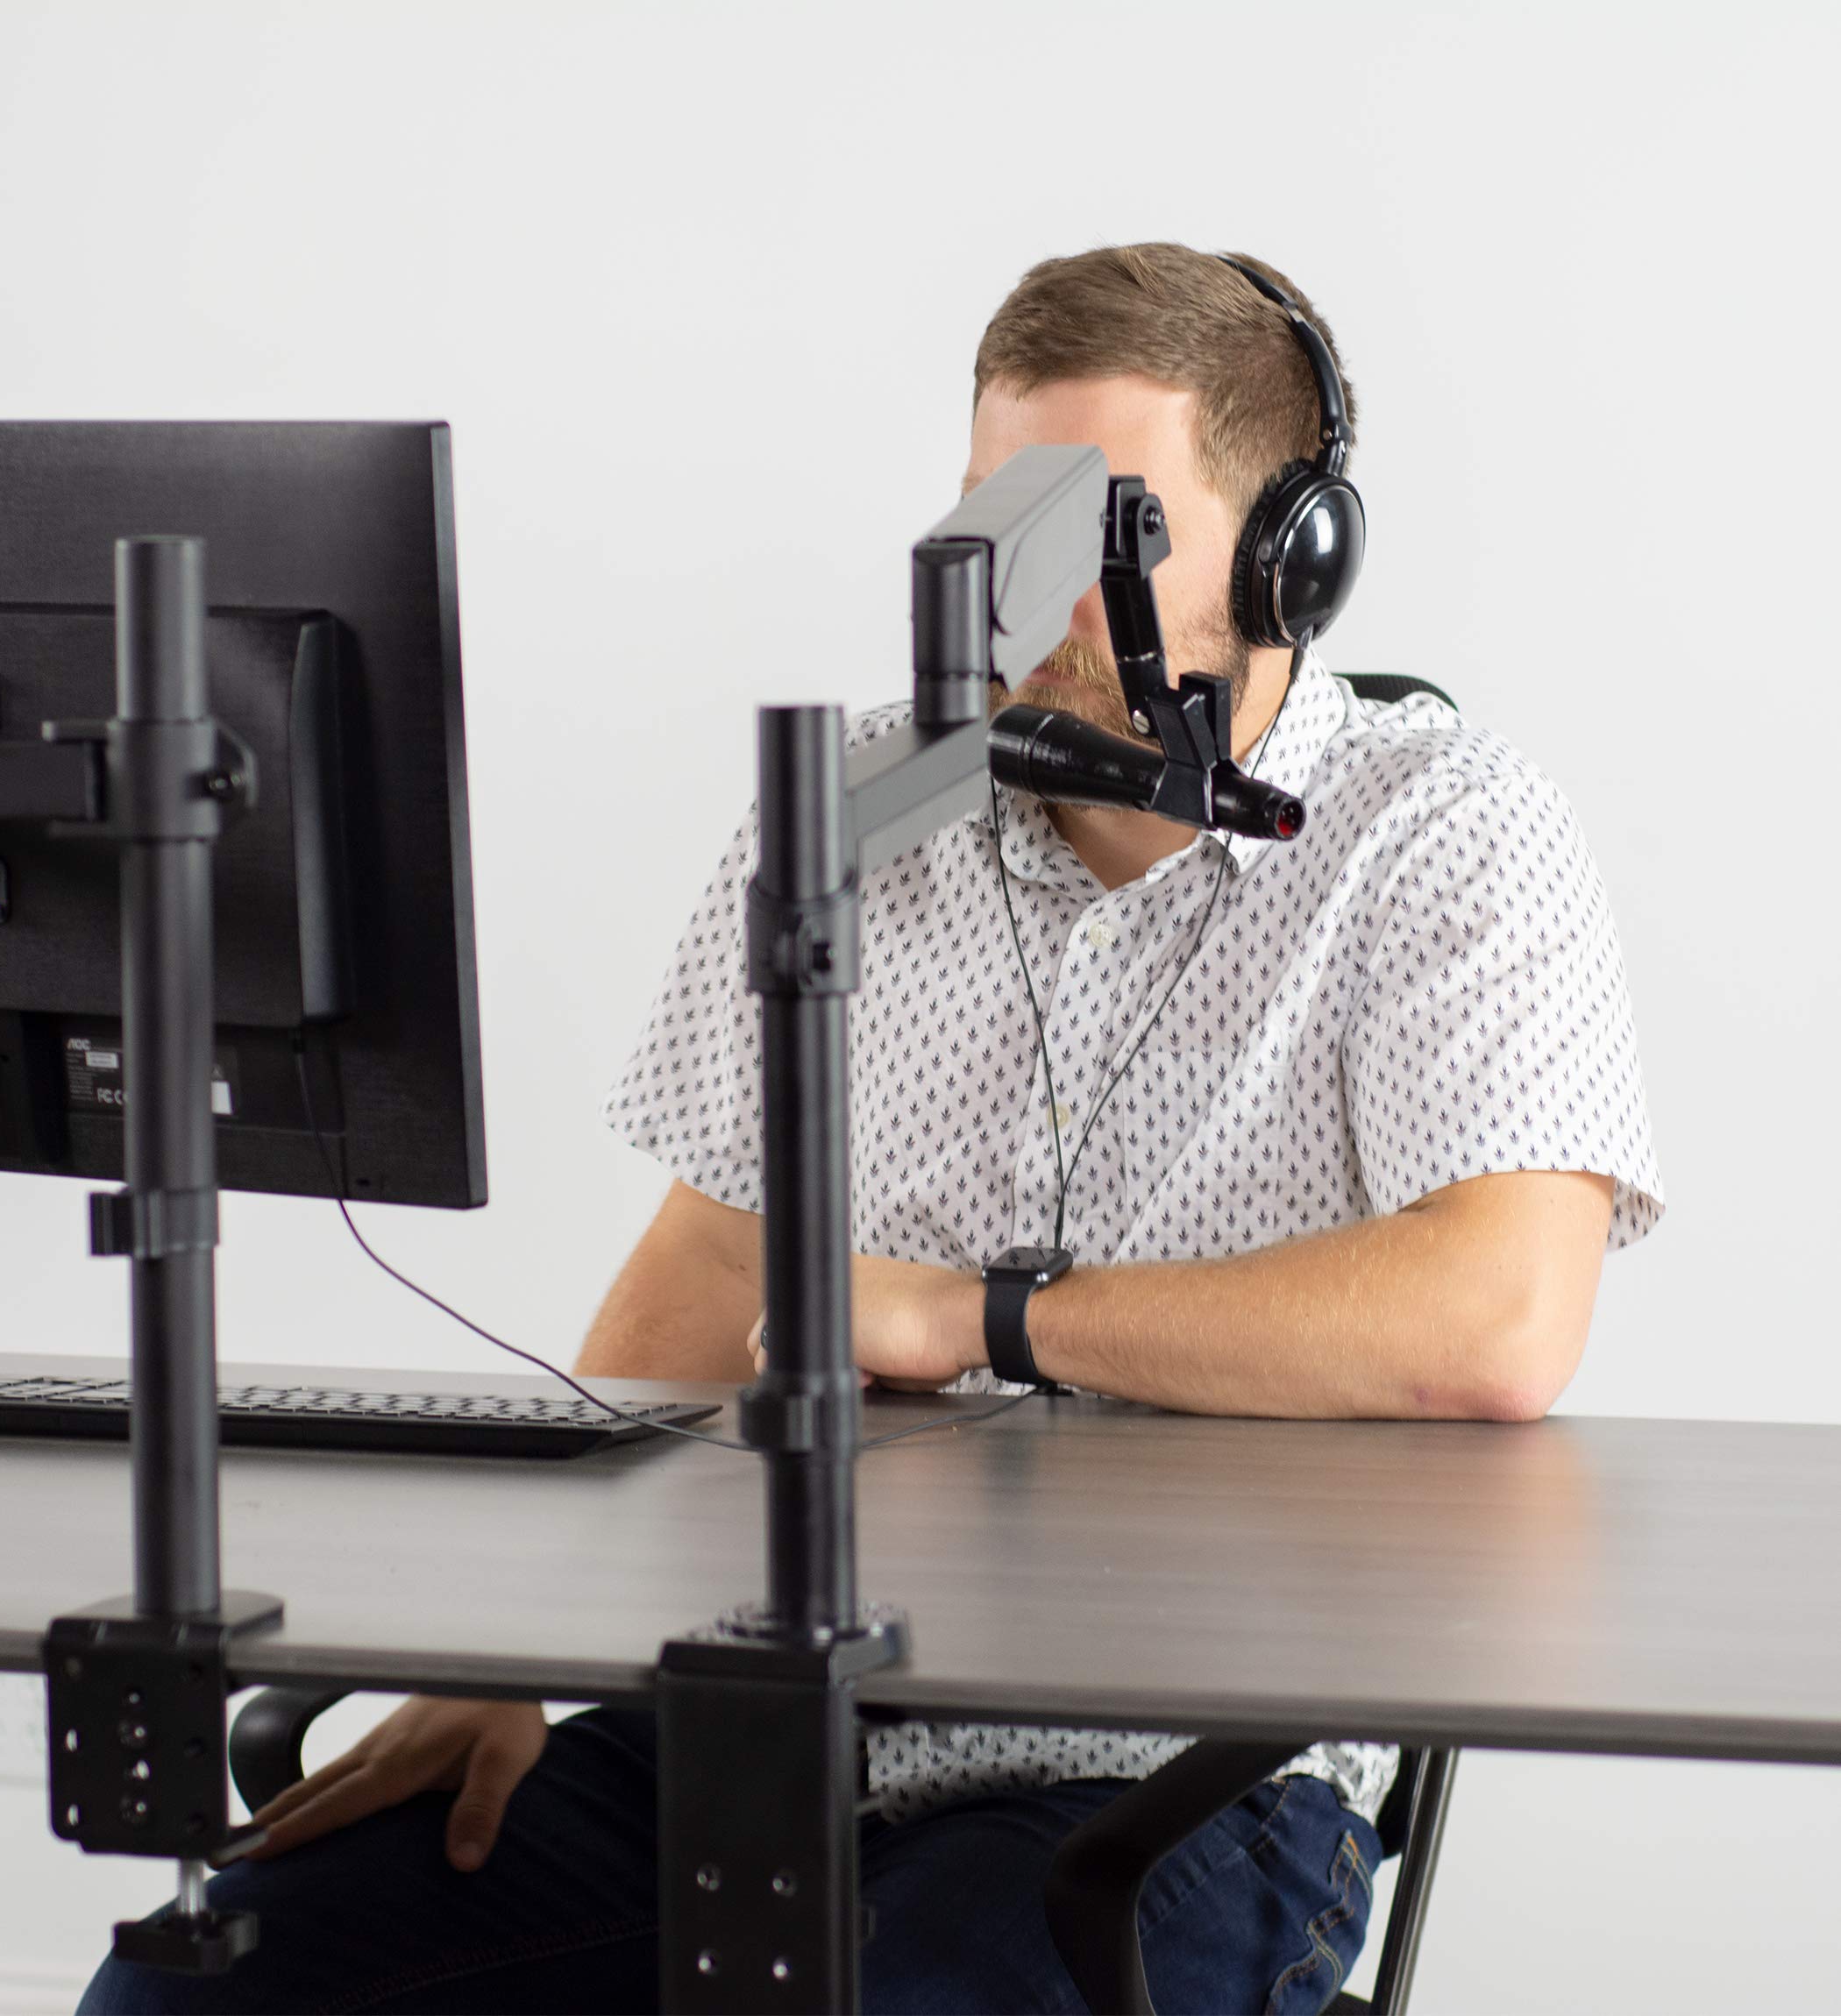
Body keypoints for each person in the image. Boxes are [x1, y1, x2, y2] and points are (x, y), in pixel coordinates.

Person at [82, 242, 1661, 2015]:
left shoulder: (1446, 836)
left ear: (1290, 556)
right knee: (198, 1987)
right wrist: (503, 1661)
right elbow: (699, 1284)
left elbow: (1497, 1323)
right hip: (781, 1706)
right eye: (997, 519)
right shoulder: (852, 806)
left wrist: (982, 1316)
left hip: (1180, 1765)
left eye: (1101, 528)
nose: (1028, 593)